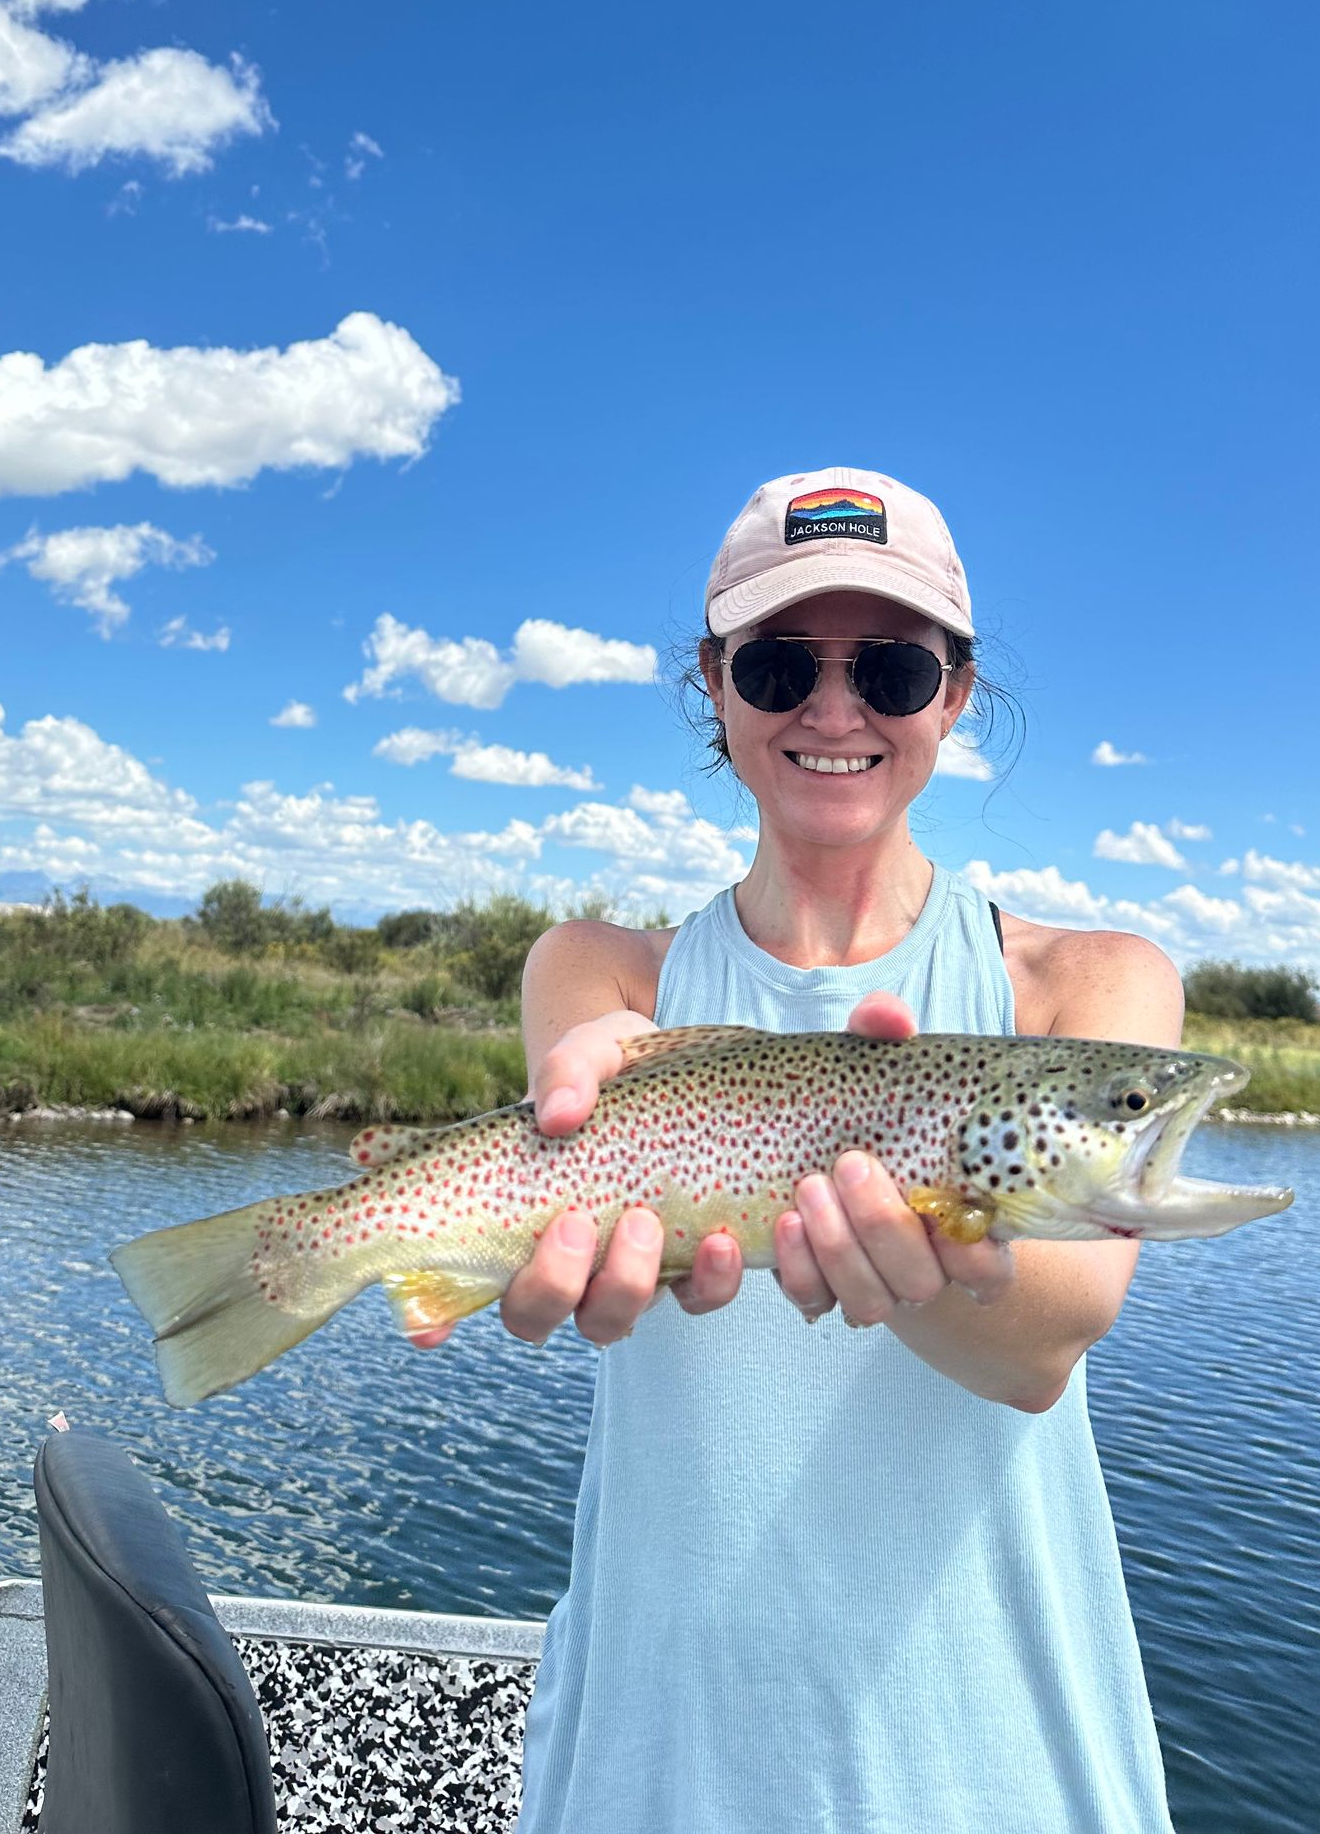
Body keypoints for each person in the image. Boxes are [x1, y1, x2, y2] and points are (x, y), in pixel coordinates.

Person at [418, 467, 1181, 1834]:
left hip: (996, 1758)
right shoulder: (601, 976)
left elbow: (1045, 1346)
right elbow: (571, 1185)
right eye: (780, 665)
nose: (836, 710)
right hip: (654, 1756)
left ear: (952, 694)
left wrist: (929, 1261)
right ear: (715, 686)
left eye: (890, 668)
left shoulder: (1092, 989)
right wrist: (570, 1146)